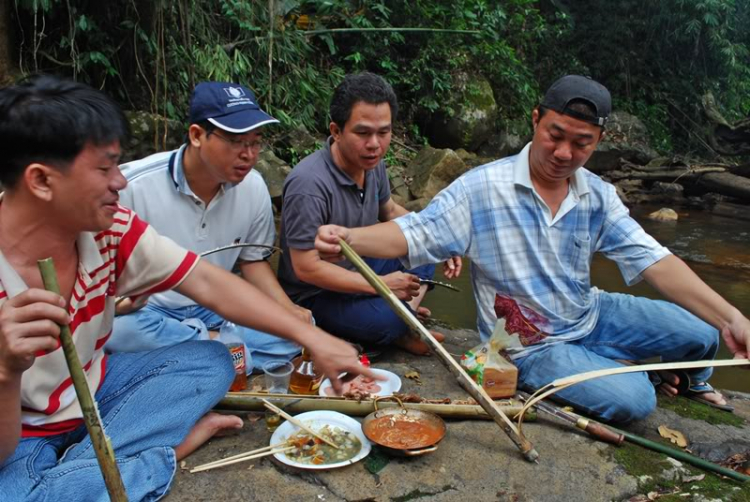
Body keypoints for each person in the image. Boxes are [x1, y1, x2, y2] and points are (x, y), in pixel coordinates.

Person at [0, 75, 372, 501]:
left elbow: (206, 281)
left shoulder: (109, 231)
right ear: (42, 181)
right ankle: (161, 454)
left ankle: (86, 474)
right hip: (22, 432)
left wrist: (312, 337)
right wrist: (7, 372)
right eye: (104, 168)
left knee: (212, 362)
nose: (119, 182)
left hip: (100, 387)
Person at [315, 75, 750, 423]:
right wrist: (351, 237)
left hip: (591, 314)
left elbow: (655, 260)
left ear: (599, 140)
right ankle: (615, 368)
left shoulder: (597, 194)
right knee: (635, 401)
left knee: (702, 334)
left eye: (581, 143)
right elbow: (414, 232)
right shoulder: (483, 187)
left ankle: (686, 382)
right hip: (527, 344)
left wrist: (733, 318)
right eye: (555, 135)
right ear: (536, 119)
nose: (564, 153)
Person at [107, 81, 308, 369]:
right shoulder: (133, 186)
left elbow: (253, 263)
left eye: (255, 142)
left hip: (216, 309)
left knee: (298, 333)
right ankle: (224, 355)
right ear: (197, 135)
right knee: (120, 333)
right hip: (150, 313)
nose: (249, 154)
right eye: (236, 141)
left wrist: (289, 312)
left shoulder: (253, 187)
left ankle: (204, 357)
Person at [278, 72, 461, 355]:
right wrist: (380, 286)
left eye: (383, 133)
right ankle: (401, 323)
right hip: (315, 293)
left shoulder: (373, 165)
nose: (375, 144)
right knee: (385, 322)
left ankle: (403, 319)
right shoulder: (308, 184)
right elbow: (306, 268)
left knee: (423, 250)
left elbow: (388, 210)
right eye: (363, 133)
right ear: (336, 131)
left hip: (360, 265)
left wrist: (438, 238)